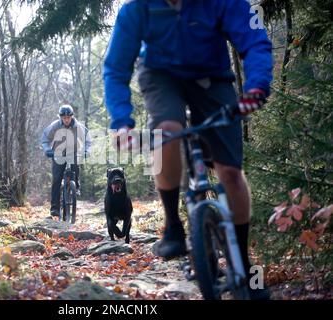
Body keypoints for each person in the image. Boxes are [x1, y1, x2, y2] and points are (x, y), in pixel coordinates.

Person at [103, 0, 272, 299]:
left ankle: (244, 264)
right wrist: (121, 121)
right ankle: (173, 227)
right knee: (168, 131)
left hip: (212, 79)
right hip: (161, 78)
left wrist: (257, 87)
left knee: (231, 173)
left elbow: (254, 40)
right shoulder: (138, 9)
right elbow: (116, 68)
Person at [41, 105, 91, 217]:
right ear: (60, 118)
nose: (66, 120)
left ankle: (75, 186)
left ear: (72, 117)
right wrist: (47, 150)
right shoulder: (55, 126)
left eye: (68, 117)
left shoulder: (78, 126)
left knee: (75, 166)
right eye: (64, 118)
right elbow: (45, 139)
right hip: (57, 153)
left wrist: (86, 151)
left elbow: (88, 140)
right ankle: (55, 209)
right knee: (56, 179)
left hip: (73, 152)